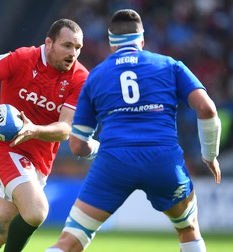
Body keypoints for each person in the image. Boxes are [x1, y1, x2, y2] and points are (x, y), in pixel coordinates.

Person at [46, 9, 221, 252]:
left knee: (71, 241)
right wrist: (209, 155)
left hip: (113, 164)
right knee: (189, 229)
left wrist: (103, 150)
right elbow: (207, 109)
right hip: (163, 162)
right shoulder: (169, 65)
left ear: (111, 43)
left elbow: (77, 145)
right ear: (141, 40)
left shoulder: (95, 76)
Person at [0, 18, 88, 252]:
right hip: (6, 150)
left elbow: (65, 129)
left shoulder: (80, 78)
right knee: (37, 211)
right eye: (67, 46)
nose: (73, 54)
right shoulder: (22, 58)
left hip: (38, 164)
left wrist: (34, 130)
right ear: (49, 43)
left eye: (78, 48)